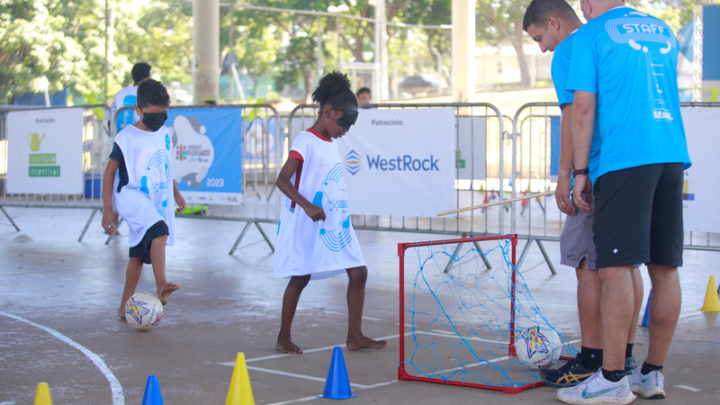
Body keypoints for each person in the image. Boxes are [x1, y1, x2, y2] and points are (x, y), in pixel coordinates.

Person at [560, 0, 691, 403]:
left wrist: (579, 172)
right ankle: (651, 374)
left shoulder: (589, 35)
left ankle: (613, 378)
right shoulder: (663, 30)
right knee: (664, 268)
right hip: (671, 155)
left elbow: (581, 108)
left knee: (615, 267)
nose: (582, 6)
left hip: (624, 159)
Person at [522, 0, 643, 388]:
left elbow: (576, 113)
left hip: (592, 171)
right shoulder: (617, 40)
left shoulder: (574, 49)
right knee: (627, 266)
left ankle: (592, 358)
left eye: (540, 37)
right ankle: (620, 355)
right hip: (629, 164)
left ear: (554, 22)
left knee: (587, 262)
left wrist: (568, 174)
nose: (543, 48)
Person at [273, 71, 388, 354]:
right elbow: (282, 180)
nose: (346, 130)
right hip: (306, 219)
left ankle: (355, 335)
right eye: (344, 123)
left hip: (336, 221)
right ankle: (283, 336)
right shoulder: (306, 140)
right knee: (301, 277)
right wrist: (308, 205)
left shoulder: (332, 143)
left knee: (359, 272)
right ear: (328, 112)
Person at [102, 79, 186, 319]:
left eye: (163, 115)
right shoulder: (126, 137)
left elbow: (164, 166)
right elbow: (109, 173)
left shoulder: (164, 133)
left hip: (156, 199)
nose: (158, 120)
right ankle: (162, 286)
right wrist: (108, 210)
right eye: (152, 115)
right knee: (160, 230)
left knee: (138, 254)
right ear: (138, 110)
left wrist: (176, 192)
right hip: (131, 195)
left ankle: (122, 308)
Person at [110, 63, 152, 132]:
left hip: (121, 135)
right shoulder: (149, 92)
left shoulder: (120, 93)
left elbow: (110, 116)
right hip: (142, 135)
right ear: (147, 77)